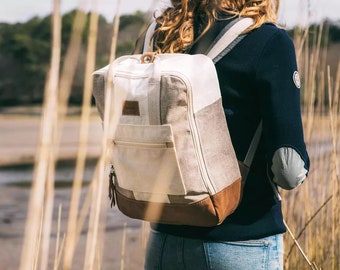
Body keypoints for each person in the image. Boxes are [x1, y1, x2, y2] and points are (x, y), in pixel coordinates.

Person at [133, 0, 310, 269]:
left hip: (164, 241)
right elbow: (289, 169)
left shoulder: (159, 33)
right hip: (240, 242)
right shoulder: (268, 40)